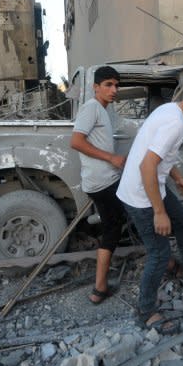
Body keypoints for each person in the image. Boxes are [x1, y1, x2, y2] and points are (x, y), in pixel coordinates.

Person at [117, 74, 183, 330]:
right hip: (141, 195)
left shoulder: (172, 110)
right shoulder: (175, 123)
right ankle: (145, 311)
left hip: (154, 185)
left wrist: (177, 177)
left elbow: (160, 155)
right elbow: (147, 165)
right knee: (159, 253)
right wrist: (158, 212)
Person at [70, 65, 127, 305]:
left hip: (107, 179)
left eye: (116, 85)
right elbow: (76, 141)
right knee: (113, 227)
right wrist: (111, 158)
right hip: (102, 181)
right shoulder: (91, 108)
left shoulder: (103, 110)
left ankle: (100, 286)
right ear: (96, 87)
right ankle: (99, 287)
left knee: (116, 223)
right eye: (108, 85)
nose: (114, 90)